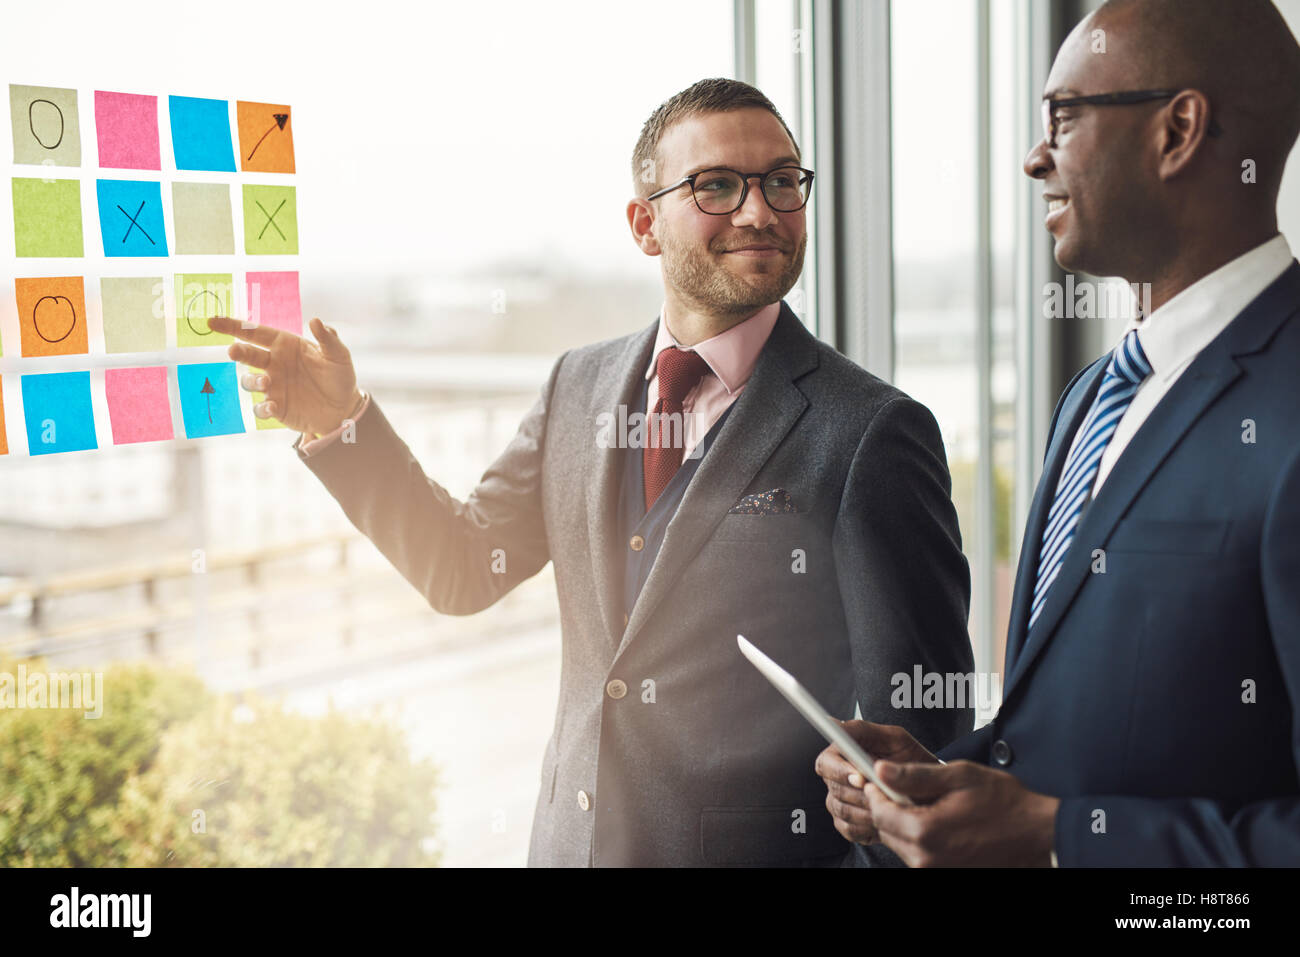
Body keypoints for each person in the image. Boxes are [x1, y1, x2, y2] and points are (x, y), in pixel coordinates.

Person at [210, 78, 974, 867]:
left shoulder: (873, 433)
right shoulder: (577, 385)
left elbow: (923, 759)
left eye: (782, 181)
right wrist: (344, 426)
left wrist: (879, 812)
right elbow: (462, 568)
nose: (760, 211)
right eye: (717, 185)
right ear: (645, 224)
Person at [816, 0, 1300, 866]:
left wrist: (1053, 839)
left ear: (1178, 129)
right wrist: (934, 783)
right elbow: (1070, 739)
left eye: (1064, 117)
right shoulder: (1092, 398)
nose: (1035, 156)